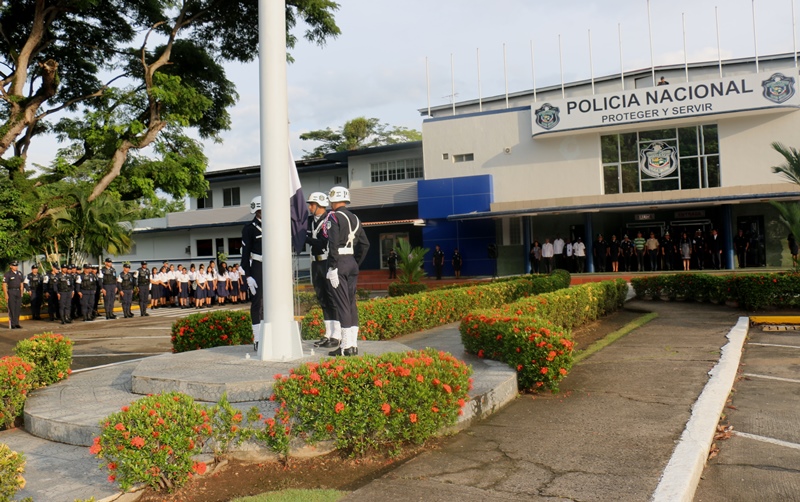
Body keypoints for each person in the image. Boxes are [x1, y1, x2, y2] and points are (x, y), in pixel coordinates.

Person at [324, 186, 370, 356]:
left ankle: (345, 346)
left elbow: (333, 244)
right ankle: (353, 344)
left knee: (342, 304)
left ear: (332, 200)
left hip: (339, 263)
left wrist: (332, 266)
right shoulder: (355, 218)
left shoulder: (334, 217)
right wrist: (355, 262)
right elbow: (365, 244)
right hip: (351, 262)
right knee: (351, 304)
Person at [305, 192, 340, 348]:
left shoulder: (329, 220)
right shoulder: (310, 221)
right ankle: (328, 333)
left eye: (312, 204)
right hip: (315, 262)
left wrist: (306, 239)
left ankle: (337, 334)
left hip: (326, 261)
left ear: (319, 205)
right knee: (322, 298)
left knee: (331, 298)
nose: (309, 207)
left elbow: (323, 243)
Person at [241, 195, 264, 351]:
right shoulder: (249, 228)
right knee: (257, 302)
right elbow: (244, 256)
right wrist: (248, 276)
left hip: (273, 267)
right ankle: (257, 337)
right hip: (258, 266)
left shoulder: (273, 225)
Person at [3, 261, 24, 329]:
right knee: (12, 308)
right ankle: (12, 324)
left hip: (18, 291)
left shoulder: (19, 273)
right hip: (11, 291)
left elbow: (21, 283)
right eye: (14, 266)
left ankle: (17, 323)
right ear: (11, 266)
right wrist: (6, 294)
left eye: (16, 266)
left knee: (18, 308)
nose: (16, 267)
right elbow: (4, 284)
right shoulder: (7, 274)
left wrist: (21, 292)